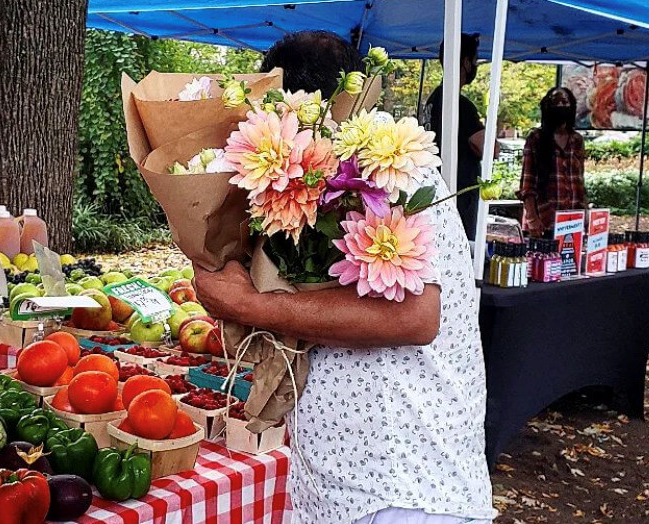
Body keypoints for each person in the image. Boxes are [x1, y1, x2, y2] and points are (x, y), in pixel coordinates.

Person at [197, 31, 496, 524]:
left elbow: (415, 318)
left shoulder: (391, 166)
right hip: (332, 485)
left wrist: (247, 305)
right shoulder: (311, 175)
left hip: (404, 489)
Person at [424, 33, 485, 242]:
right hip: (458, 197)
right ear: (466, 62)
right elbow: (485, 147)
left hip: (435, 193)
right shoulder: (461, 105)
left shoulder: (433, 99)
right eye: (475, 60)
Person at [518, 87, 587, 236]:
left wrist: (586, 213)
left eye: (565, 102)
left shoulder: (577, 140)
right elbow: (527, 184)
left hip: (573, 221)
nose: (561, 106)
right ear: (547, 107)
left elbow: (579, 182)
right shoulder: (536, 139)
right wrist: (531, 218)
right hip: (543, 221)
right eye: (556, 102)